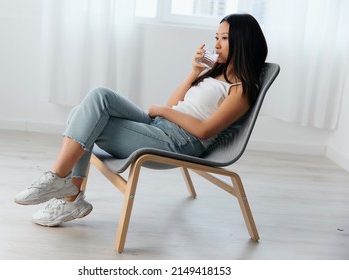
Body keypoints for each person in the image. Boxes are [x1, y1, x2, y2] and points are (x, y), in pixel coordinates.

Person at [14, 13, 268, 227]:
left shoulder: (241, 89)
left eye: (225, 38)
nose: (217, 44)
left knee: (81, 118)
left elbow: (202, 131)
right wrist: (194, 73)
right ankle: (66, 191)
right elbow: (174, 105)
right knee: (98, 97)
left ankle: (63, 186)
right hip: (160, 127)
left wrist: (163, 111)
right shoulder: (215, 73)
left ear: (242, 43)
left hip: (177, 142)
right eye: (217, 37)